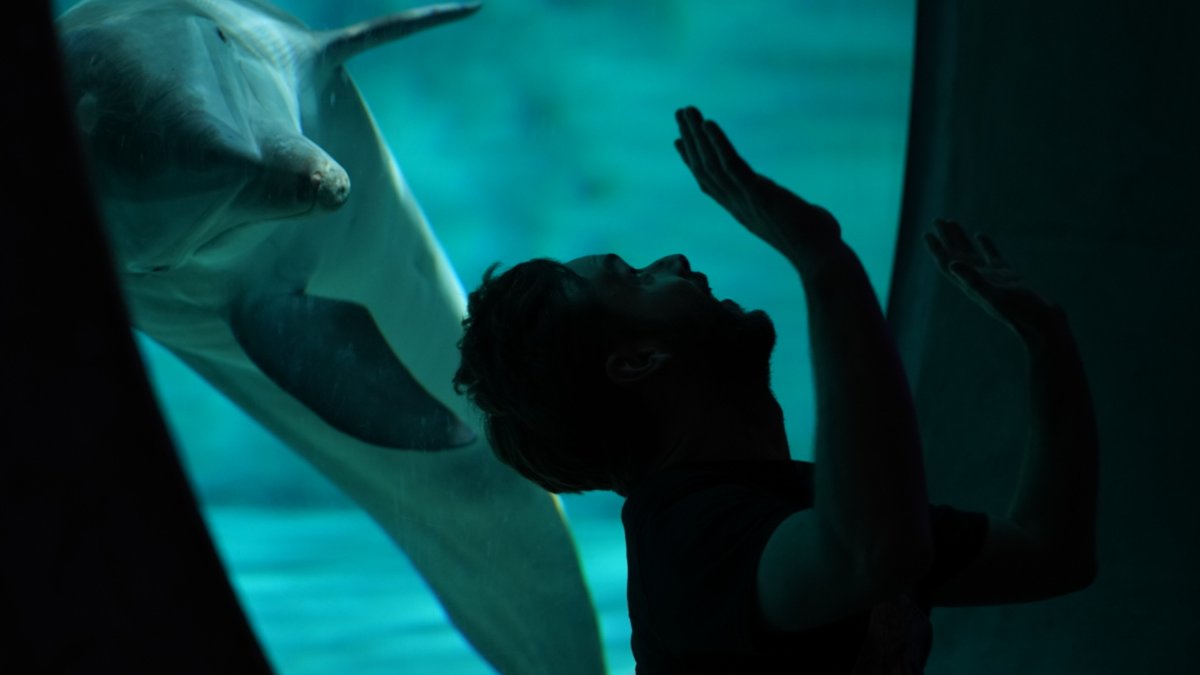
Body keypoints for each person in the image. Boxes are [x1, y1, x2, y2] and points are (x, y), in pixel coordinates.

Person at [453, 106, 1098, 673]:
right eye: (632, 276)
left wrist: (1047, 341)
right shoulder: (687, 542)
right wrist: (821, 259)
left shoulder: (789, 503)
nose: (674, 263)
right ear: (638, 359)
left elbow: (1051, 555)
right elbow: (873, 551)